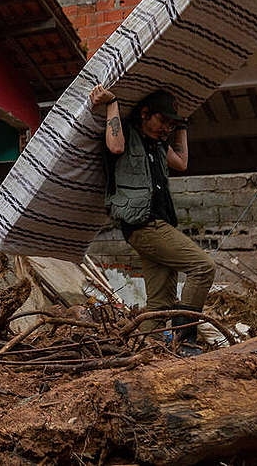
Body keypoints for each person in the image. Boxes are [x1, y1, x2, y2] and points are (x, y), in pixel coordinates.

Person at [90, 84, 216, 355]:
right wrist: (112, 103)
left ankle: (145, 352)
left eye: (170, 125)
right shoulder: (126, 135)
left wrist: (182, 125)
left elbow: (181, 162)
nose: (165, 129)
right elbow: (115, 145)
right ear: (145, 114)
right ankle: (185, 341)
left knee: (161, 304)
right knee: (203, 267)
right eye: (162, 120)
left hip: (161, 224)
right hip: (143, 224)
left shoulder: (159, 145)